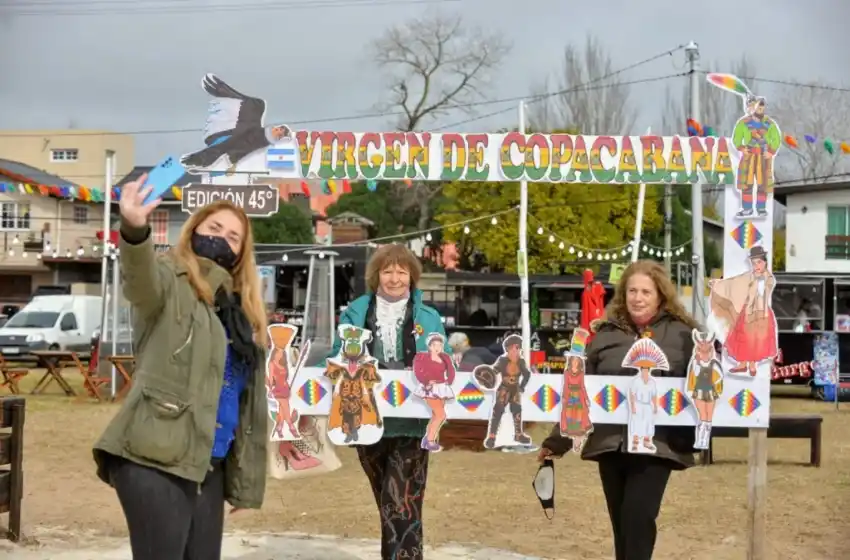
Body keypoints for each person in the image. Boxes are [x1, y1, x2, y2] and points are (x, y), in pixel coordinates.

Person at [92, 175, 268, 560]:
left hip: (209, 465)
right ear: (193, 231)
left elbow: (242, 403)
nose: (222, 239)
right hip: (154, 458)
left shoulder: (239, 313)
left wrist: (243, 480)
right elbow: (139, 281)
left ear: (241, 252)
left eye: (234, 236)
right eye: (214, 228)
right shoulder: (169, 279)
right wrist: (135, 229)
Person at [539, 260, 698, 560]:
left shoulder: (683, 335)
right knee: (621, 523)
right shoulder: (604, 335)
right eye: (632, 291)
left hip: (657, 445)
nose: (638, 298)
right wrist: (556, 441)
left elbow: (702, 387)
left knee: (638, 517)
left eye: (646, 292)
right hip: (610, 444)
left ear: (660, 295)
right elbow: (579, 392)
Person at [328, 243, 445, 560]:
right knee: (389, 502)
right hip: (366, 422)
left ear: (412, 276)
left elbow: (441, 362)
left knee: (399, 500)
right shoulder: (356, 312)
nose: (394, 278)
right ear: (376, 275)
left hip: (414, 424)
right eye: (388, 270)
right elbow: (337, 358)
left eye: (402, 271)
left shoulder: (429, 317)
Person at [413, 333, 456, 451]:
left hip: (441, 387)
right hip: (429, 388)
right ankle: (430, 440)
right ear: (429, 346)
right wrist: (426, 381)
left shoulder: (445, 357)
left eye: (440, 345)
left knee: (436, 415)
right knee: (441, 415)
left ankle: (427, 439)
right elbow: (417, 371)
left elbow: (451, 369)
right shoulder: (421, 357)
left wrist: (449, 381)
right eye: (435, 345)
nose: (437, 348)